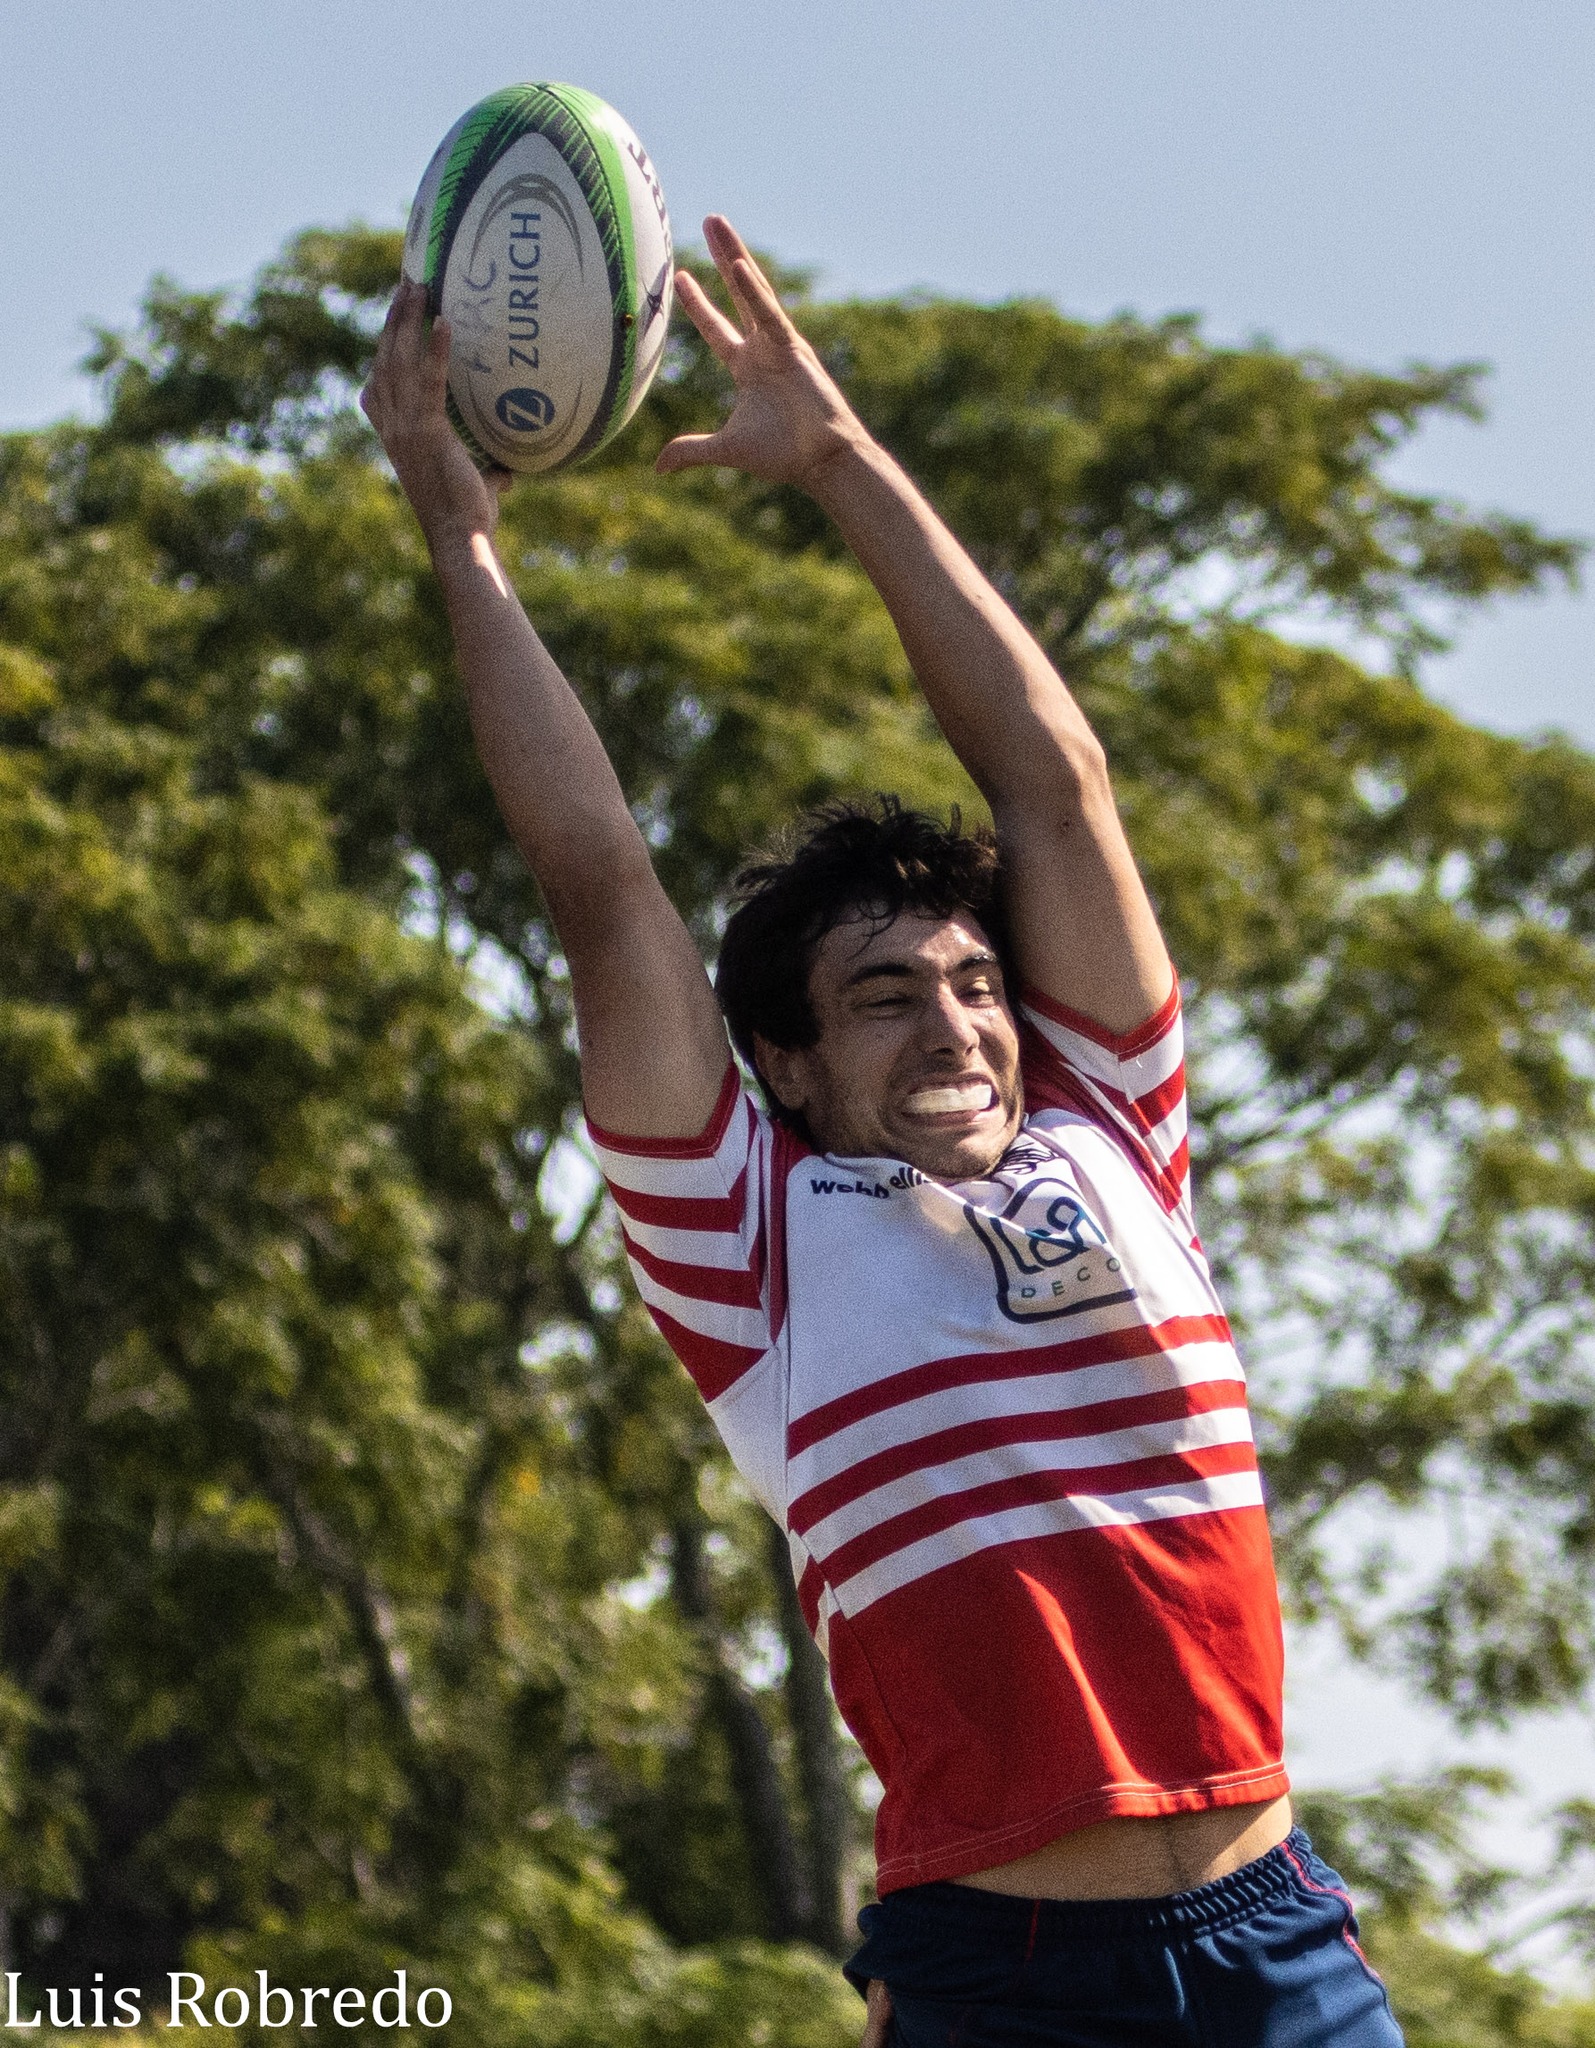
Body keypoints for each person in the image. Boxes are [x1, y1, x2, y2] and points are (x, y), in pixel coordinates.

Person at [361, 215, 1404, 2048]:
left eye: (976, 982)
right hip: (998, 1980)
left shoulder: (1120, 1137)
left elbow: (1051, 782)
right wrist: (462, 537)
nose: (956, 1017)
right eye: (884, 995)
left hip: (1278, 1945)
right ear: (785, 1059)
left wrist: (838, 456)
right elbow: (607, 890)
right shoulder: (751, 1243)